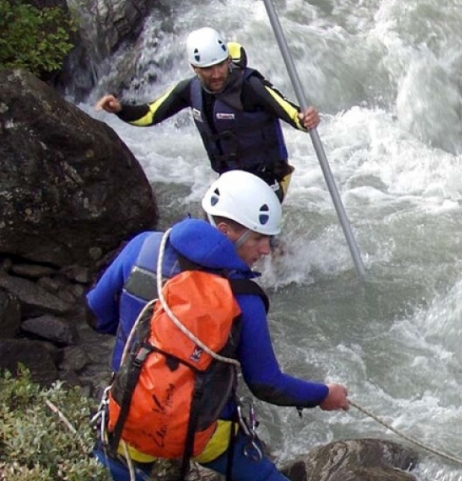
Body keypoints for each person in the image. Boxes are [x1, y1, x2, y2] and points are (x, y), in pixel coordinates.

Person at [87, 170, 349, 480]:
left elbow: (96, 314)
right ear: (225, 231)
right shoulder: (243, 297)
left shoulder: (142, 247)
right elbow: (267, 383)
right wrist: (323, 395)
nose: (266, 249)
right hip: (205, 431)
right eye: (258, 238)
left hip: (129, 417)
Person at [95, 27, 320, 201]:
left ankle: (271, 246)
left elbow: (291, 112)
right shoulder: (189, 90)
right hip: (231, 177)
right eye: (208, 69)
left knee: (245, 231)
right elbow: (150, 114)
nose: (217, 74)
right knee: (214, 226)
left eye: (220, 65)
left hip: (270, 176)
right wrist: (120, 109)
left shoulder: (251, 86)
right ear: (195, 68)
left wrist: (305, 119)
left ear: (228, 61)